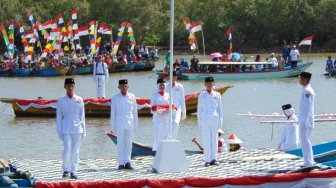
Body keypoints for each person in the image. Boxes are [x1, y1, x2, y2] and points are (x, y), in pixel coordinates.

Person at [56, 78, 86, 179]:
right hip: (66, 128)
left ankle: (73, 170)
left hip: (77, 128)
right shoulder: (61, 100)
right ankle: (65, 169)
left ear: (74, 86)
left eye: (72, 86)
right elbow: (59, 117)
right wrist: (59, 131)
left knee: (75, 150)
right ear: (65, 87)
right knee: (67, 148)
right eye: (68, 86)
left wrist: (84, 130)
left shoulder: (79, 99)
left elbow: (82, 116)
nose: (70, 87)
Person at [110, 79, 138, 170]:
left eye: (126, 86)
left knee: (129, 143)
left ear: (128, 87)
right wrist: (113, 126)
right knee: (120, 143)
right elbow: (113, 112)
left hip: (130, 122)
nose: (124, 88)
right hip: (119, 122)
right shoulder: (115, 97)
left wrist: (136, 123)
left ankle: (128, 162)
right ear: (119, 87)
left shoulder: (132, 96)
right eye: (122, 86)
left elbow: (134, 111)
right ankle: (121, 162)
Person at [197, 76, 223, 167]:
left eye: (211, 83)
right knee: (206, 140)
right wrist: (199, 123)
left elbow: (220, 110)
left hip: (214, 119)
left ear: (213, 84)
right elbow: (199, 110)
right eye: (207, 83)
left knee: (214, 140)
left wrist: (220, 122)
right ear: (205, 84)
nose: (209, 85)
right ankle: (207, 160)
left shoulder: (217, 95)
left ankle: (214, 158)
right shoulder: (201, 95)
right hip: (205, 119)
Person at [298, 72, 315, 167]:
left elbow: (307, 107)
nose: (299, 80)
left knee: (305, 141)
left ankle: (308, 162)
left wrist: (303, 121)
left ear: (305, 79)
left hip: (306, 120)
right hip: (306, 119)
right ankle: (308, 161)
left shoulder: (307, 91)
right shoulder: (306, 89)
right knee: (305, 141)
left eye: (300, 78)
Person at [151, 78, 170, 151]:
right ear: (157, 86)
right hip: (158, 119)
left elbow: (172, 106)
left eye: (163, 85)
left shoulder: (168, 95)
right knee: (159, 135)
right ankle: (159, 151)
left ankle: (166, 151)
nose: (162, 86)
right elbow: (152, 108)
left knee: (166, 135)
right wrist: (159, 110)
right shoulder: (154, 96)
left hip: (167, 118)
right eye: (160, 85)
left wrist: (168, 109)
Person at [166, 71, 186, 139]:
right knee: (169, 125)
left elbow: (182, 99)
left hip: (177, 108)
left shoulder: (180, 86)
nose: (173, 77)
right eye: (172, 76)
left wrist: (184, 112)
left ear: (176, 77)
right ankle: (168, 139)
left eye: (175, 76)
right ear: (169, 76)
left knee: (176, 123)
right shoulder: (165, 86)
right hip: (168, 109)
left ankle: (173, 139)